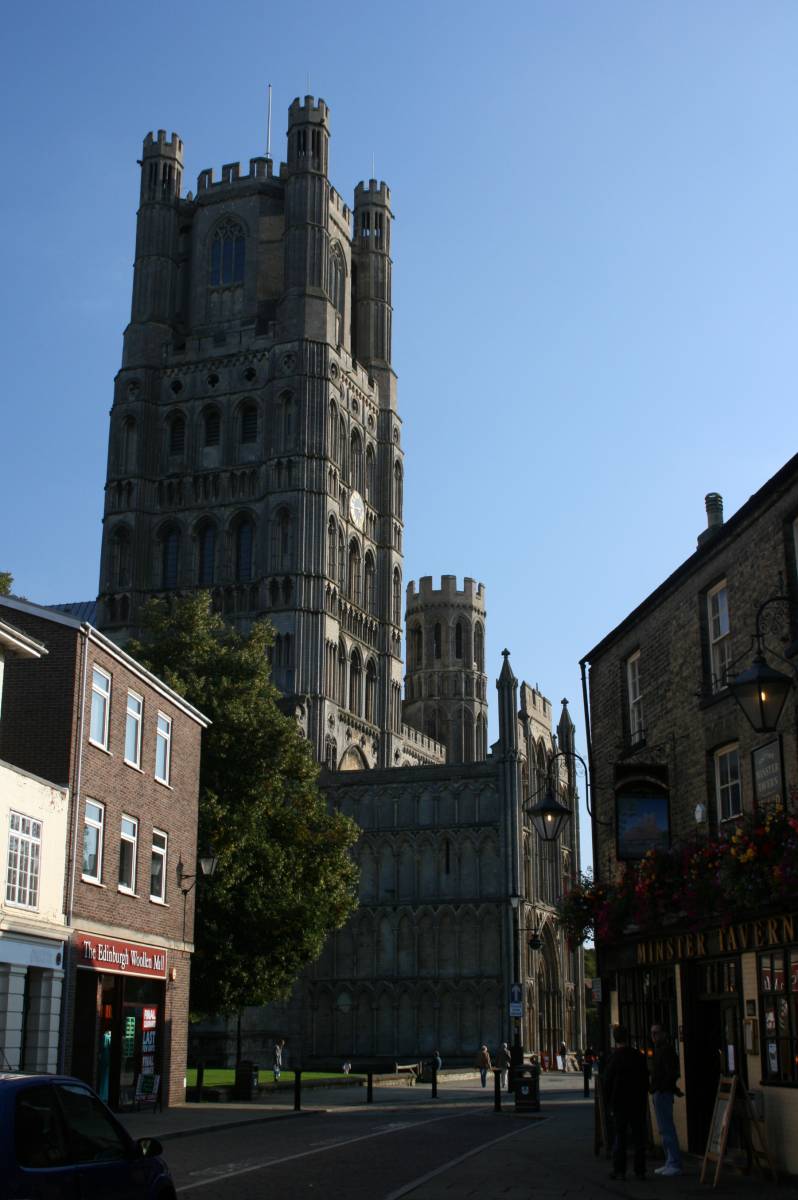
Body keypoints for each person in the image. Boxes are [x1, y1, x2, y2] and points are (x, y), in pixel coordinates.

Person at [603, 1025, 649, 1181]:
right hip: (637, 1102)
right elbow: (645, 1078)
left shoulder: (614, 1058)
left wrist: (607, 1102)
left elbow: (607, 1082)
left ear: (616, 1040)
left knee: (620, 1137)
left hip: (620, 1103)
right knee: (638, 1137)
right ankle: (640, 1170)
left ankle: (620, 1170)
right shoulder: (638, 1055)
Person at [650, 1025, 683, 1177]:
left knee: (667, 1128)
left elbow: (671, 1073)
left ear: (663, 1034)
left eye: (656, 1033)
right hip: (660, 1091)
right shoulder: (660, 1050)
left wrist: (662, 1088)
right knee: (663, 1129)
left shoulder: (667, 1051)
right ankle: (669, 1160)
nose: (653, 1036)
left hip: (663, 1093)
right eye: (652, 1033)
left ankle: (674, 1163)